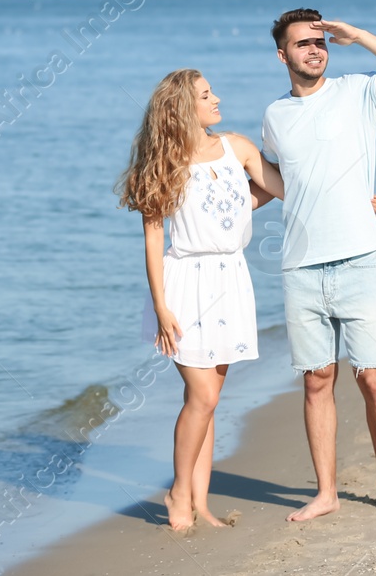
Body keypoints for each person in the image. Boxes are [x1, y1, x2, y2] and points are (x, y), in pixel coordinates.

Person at [261, 8, 376, 519]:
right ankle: (327, 493)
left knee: (373, 378)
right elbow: (278, 181)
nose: (315, 49)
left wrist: (357, 34)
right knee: (317, 381)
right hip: (301, 268)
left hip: (360, 259)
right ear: (282, 54)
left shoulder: (358, 92)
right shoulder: (275, 116)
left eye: (321, 41)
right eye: (304, 43)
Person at [116, 69, 282, 531]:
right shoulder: (164, 161)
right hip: (183, 283)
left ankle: (200, 504)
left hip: (232, 277)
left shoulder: (238, 148)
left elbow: (281, 188)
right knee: (203, 396)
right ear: (183, 109)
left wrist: (351, 201)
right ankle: (177, 492)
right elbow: (153, 240)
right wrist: (162, 306)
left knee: (207, 400)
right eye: (207, 95)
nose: (217, 98)